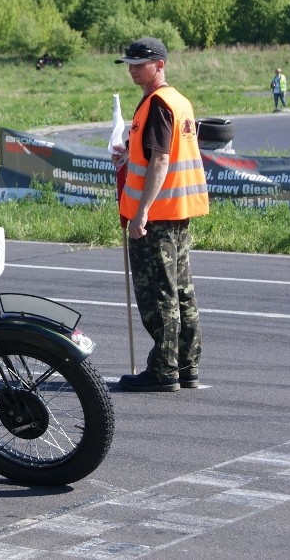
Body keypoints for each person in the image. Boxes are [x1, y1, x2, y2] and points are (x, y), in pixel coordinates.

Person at [114, 37, 210, 392]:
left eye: (139, 63)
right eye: (130, 63)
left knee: (160, 294)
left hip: (156, 218)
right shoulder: (178, 101)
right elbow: (154, 155)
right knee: (181, 291)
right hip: (176, 212)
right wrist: (125, 157)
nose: (132, 69)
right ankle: (187, 365)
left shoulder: (157, 103)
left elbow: (161, 160)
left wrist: (141, 214)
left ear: (160, 64)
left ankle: (163, 370)